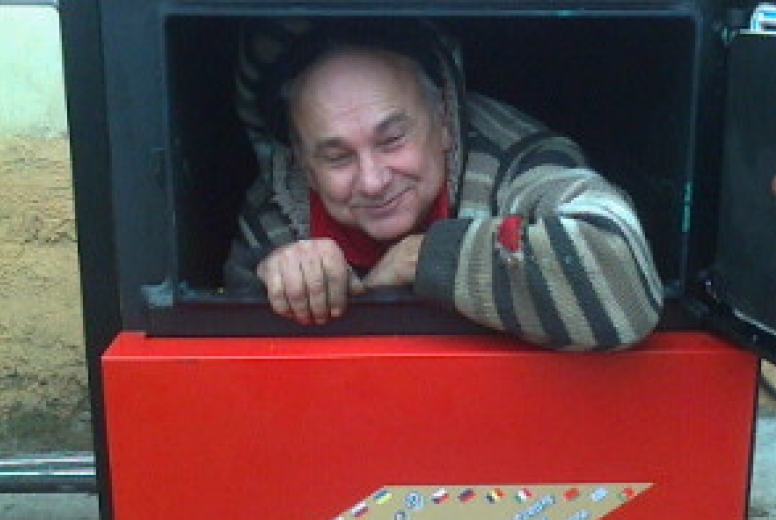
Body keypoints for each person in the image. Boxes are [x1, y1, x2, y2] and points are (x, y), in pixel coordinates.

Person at [224, 20, 663, 349]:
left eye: (392, 140)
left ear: (445, 120)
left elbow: (622, 285)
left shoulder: (519, 161)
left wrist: (421, 258)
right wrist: (276, 276)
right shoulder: (276, 206)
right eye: (337, 157)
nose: (373, 182)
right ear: (303, 164)